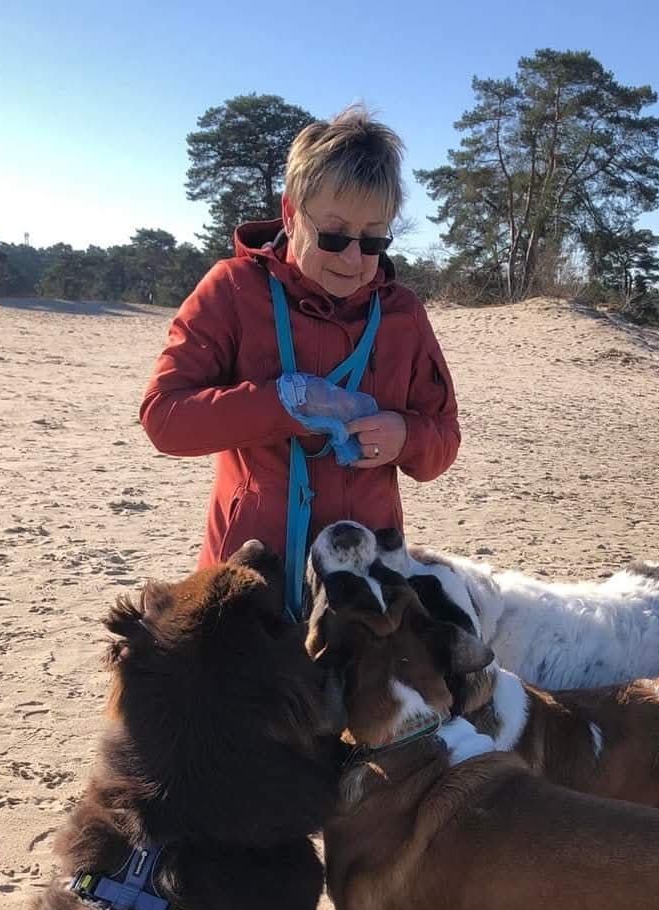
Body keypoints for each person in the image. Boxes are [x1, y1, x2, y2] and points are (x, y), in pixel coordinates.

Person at [139, 105, 461, 593]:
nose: (352, 259)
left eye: (373, 240)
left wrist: (405, 437)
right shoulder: (233, 290)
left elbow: (444, 437)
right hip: (247, 587)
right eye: (333, 236)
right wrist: (279, 404)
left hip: (365, 590)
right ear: (291, 215)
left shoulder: (403, 315)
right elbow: (164, 419)